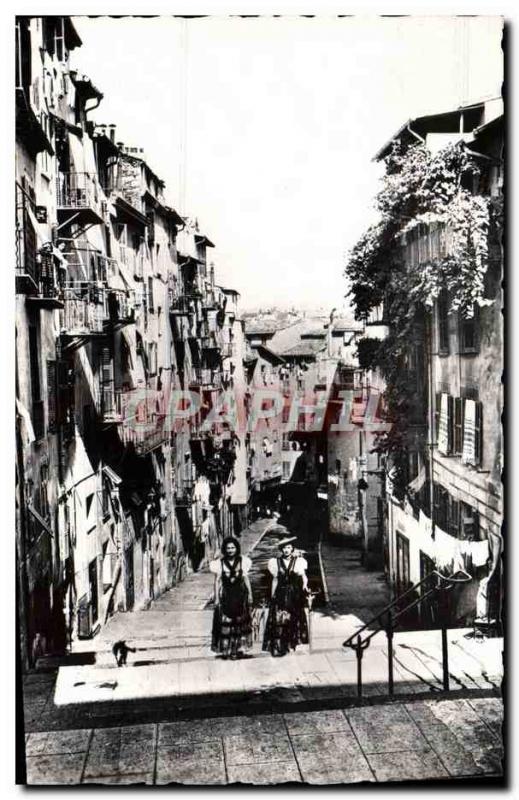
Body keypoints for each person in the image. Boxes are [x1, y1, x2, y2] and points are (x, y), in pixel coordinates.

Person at [263, 536, 309, 656]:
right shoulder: (275, 562)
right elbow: (275, 580)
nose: (286, 550)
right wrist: (272, 595)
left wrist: (304, 586)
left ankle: (292, 643)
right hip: (281, 593)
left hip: (294, 594)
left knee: (294, 618)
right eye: (284, 548)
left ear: (292, 549)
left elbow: (303, 577)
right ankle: (281, 644)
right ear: (281, 550)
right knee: (280, 619)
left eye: (288, 547)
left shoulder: (298, 561)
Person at [209, 537, 253, 660]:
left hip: (240, 595)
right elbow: (217, 582)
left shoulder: (243, 561)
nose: (230, 550)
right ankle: (226, 649)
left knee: (239, 622)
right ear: (225, 549)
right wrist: (216, 598)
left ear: (236, 548)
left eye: (232, 548)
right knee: (226, 622)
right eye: (228, 548)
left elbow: (246, 579)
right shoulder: (219, 563)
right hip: (226, 596)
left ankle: (238, 648)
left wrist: (250, 594)